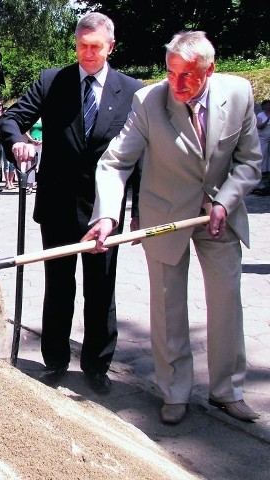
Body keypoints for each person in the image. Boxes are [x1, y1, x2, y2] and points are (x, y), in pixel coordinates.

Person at [84, 31, 262, 424]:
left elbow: (250, 162)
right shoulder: (149, 101)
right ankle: (174, 392)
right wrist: (108, 216)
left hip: (218, 216)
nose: (177, 84)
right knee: (167, 308)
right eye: (171, 73)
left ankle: (227, 390)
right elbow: (115, 163)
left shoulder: (238, 94)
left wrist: (224, 201)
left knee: (226, 303)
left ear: (210, 71)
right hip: (163, 216)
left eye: (188, 76)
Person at [0, 12, 142, 394]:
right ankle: (56, 361)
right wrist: (18, 142)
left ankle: (97, 365)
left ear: (111, 46)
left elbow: (142, 155)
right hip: (59, 208)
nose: (88, 54)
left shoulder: (132, 91)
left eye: (95, 47)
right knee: (58, 286)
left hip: (104, 210)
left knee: (101, 289)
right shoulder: (52, 81)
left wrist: (139, 207)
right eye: (82, 47)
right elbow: (12, 118)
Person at [251, 99, 270, 195]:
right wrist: (267, 119)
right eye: (266, 105)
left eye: (269, 105)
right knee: (263, 157)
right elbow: (259, 126)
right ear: (263, 107)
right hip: (262, 139)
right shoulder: (260, 115)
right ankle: (260, 177)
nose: (268, 107)